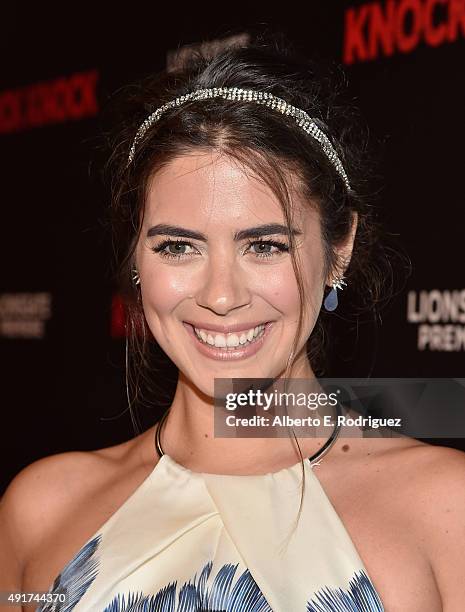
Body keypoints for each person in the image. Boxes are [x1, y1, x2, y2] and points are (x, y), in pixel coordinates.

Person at [1, 37, 465, 612]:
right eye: (177, 247)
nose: (221, 296)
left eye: (265, 246)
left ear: (338, 250)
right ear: (135, 260)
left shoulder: (448, 509)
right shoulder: (40, 509)